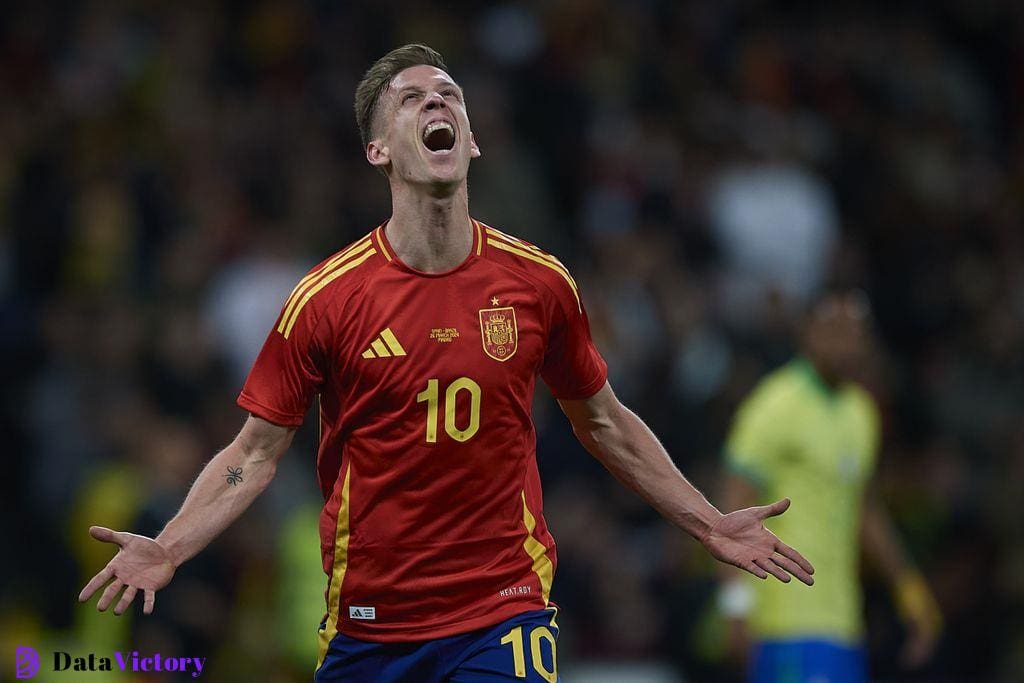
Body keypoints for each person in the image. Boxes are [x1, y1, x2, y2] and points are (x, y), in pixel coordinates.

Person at [79, 44, 814, 682]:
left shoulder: (539, 283)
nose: (437, 101)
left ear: (470, 140)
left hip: (502, 606)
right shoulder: (327, 299)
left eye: (449, 95)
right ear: (378, 150)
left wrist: (707, 522)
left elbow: (607, 423)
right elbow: (253, 453)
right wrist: (171, 542)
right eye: (411, 98)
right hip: (370, 622)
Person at [718, 290, 942, 683]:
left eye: (856, 332)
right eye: (835, 330)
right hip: (784, 620)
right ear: (809, 334)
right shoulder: (775, 404)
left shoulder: (862, 413)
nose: (847, 343)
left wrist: (910, 591)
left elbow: (864, 511)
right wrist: (735, 606)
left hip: (844, 624)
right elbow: (732, 504)